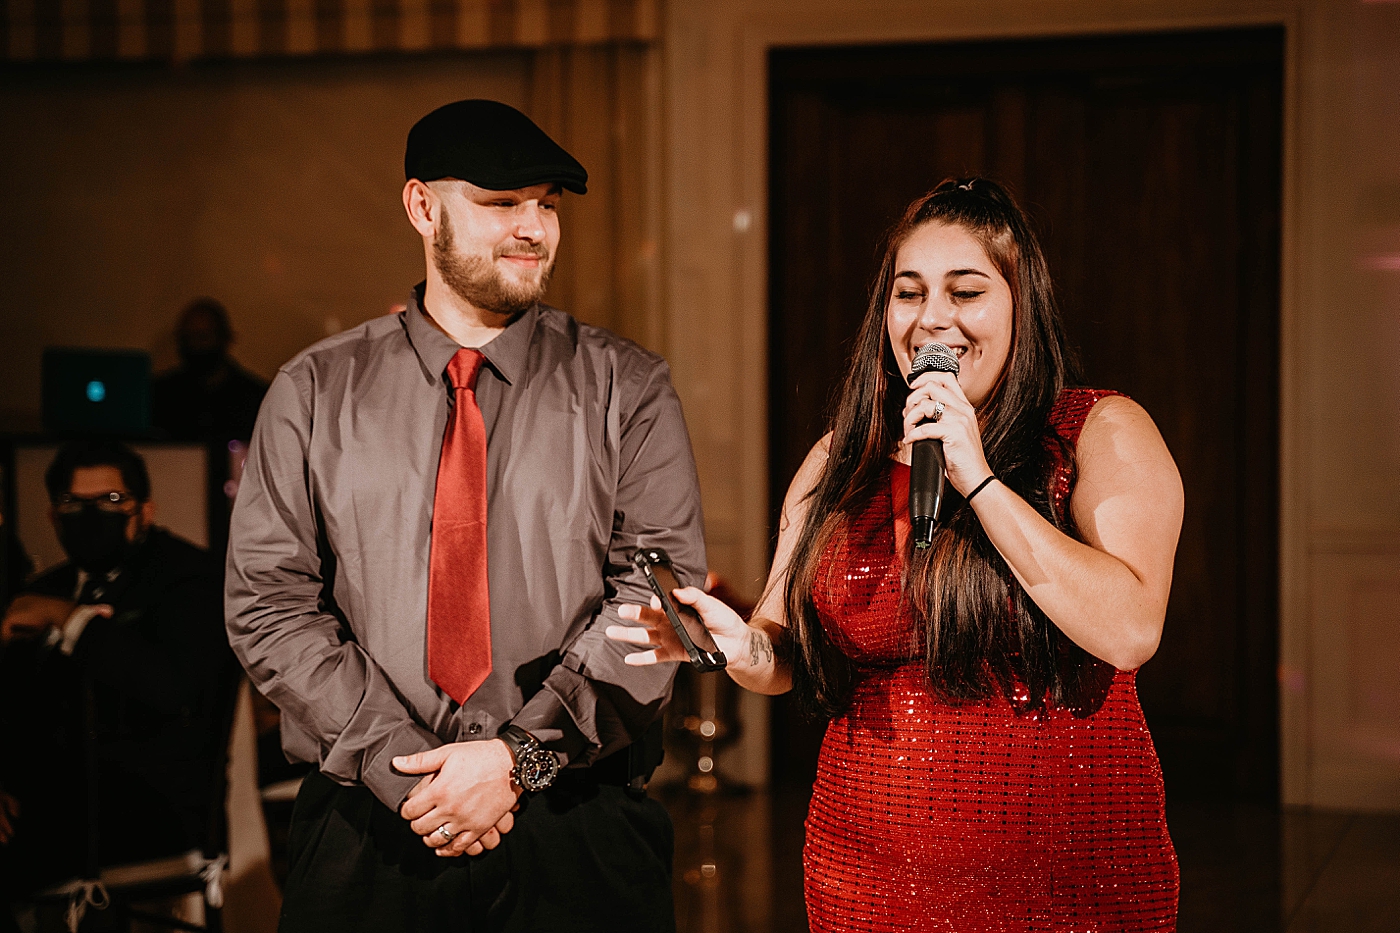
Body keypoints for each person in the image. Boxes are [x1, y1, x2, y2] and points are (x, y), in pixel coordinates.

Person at [610, 178, 1183, 930]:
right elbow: (782, 656)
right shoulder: (837, 462)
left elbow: (1131, 629)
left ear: (1022, 304)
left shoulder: (1098, 430)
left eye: (966, 291)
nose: (932, 318)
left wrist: (974, 476)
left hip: (1066, 878)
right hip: (868, 876)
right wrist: (735, 645)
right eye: (908, 293)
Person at [225, 99, 704, 932]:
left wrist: (518, 760)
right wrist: (408, 769)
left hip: (578, 826)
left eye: (547, 204)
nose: (535, 228)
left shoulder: (627, 387)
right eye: (501, 203)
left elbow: (658, 596)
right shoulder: (312, 392)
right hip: (368, 832)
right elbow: (269, 603)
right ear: (421, 207)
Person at [0, 439, 234, 921]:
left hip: (149, 815)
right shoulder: (47, 587)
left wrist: (72, 620)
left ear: (144, 511)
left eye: (110, 501)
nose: (90, 516)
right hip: (48, 813)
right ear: (53, 515)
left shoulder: (192, 581)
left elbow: (173, 690)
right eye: (73, 504)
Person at [152, 296, 269, 558]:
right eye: (188, 337)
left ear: (226, 338)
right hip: (174, 513)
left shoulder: (256, 397)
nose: (195, 346)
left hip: (239, 521)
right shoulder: (160, 396)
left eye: (203, 337)